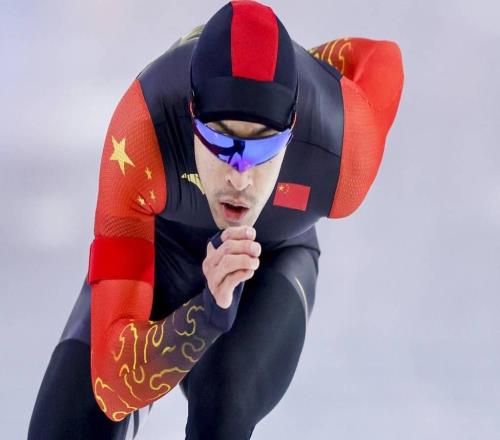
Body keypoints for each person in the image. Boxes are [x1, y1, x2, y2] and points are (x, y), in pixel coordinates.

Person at [28, 1, 404, 438]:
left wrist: (298, 63)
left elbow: (384, 58)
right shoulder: (142, 134)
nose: (240, 177)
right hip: (161, 249)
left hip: (271, 258)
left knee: (222, 406)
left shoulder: (343, 149)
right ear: (190, 117)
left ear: (294, 127)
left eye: (264, 146)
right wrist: (209, 312)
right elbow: (114, 386)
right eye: (220, 141)